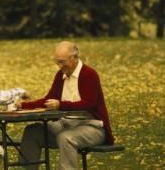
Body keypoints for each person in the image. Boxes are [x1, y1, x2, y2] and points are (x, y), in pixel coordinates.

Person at [18, 41, 114, 170]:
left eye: (62, 62)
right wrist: (22, 106)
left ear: (74, 58)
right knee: (32, 131)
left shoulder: (89, 74)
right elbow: (48, 100)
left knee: (66, 138)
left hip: (93, 127)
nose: (59, 66)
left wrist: (60, 105)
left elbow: (88, 103)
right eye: (57, 62)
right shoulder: (60, 75)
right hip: (66, 125)